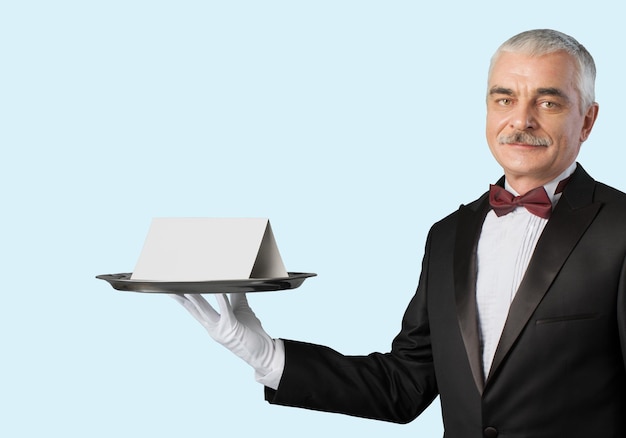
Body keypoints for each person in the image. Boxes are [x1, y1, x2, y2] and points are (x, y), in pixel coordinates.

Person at [172, 29, 626, 437]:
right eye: (504, 99)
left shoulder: (620, 226)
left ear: (587, 120)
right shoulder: (448, 235)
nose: (520, 120)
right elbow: (404, 386)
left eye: (548, 102)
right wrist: (264, 354)